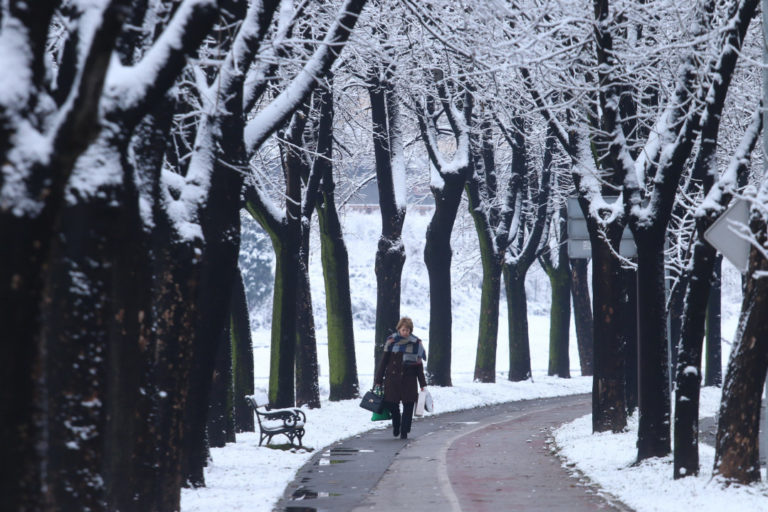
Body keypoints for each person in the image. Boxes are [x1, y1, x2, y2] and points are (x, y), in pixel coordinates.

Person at [374, 317, 427, 440]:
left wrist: (422, 383)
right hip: (392, 380)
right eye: (403, 330)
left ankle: (404, 431)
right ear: (399, 329)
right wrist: (378, 380)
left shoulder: (416, 344)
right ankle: (396, 424)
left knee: (408, 406)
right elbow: (384, 362)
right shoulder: (391, 341)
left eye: (408, 330)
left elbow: (419, 366)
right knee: (392, 404)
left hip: (409, 380)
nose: (405, 332)